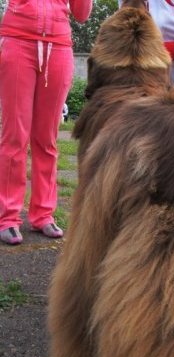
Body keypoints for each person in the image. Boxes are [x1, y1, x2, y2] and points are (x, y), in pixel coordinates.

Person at [0, 0, 93, 245]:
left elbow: (82, 14)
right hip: (17, 40)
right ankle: (8, 217)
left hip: (59, 45)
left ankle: (43, 213)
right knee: (14, 137)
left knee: (46, 139)